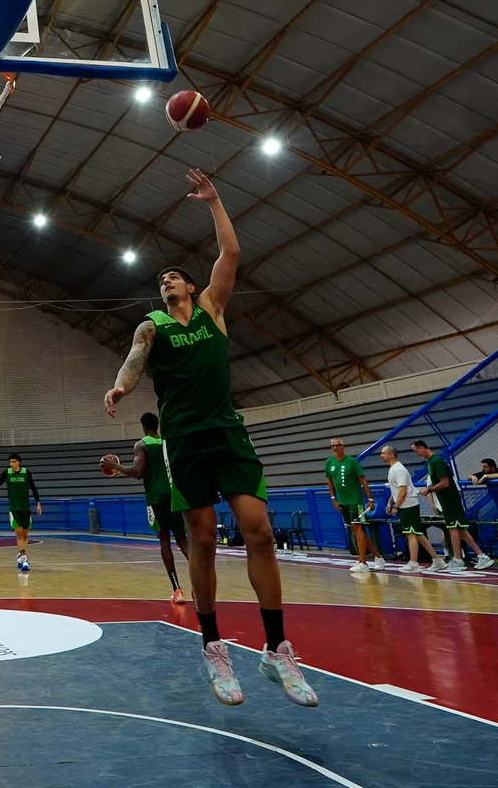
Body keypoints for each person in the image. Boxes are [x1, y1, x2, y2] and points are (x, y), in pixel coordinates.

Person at [103, 169, 317, 708]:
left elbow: (232, 251)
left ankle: (276, 649)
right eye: (161, 281)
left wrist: (215, 200)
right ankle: (213, 646)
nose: (167, 282)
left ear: (192, 286)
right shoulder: (153, 325)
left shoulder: (214, 311)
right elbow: (134, 361)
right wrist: (121, 388)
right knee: (200, 539)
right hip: (184, 440)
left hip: (227, 432)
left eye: (175, 277)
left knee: (259, 531)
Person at [103, 412, 189, 602]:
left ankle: (178, 590)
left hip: (156, 497)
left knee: (165, 541)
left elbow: (137, 472)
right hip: (175, 495)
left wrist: (116, 467)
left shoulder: (142, 444)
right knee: (183, 541)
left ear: (143, 426)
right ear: (157, 425)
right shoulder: (167, 442)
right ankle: (199, 585)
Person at [411, 440, 493, 571]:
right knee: (460, 530)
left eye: (416, 451)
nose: (416, 454)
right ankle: (480, 556)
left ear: (422, 447)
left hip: (450, 500)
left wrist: (429, 490)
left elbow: (445, 483)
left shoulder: (436, 461)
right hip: (446, 500)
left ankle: (459, 559)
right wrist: (429, 489)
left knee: (454, 528)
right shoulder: (432, 462)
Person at [379, 446, 445, 574]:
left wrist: (396, 507)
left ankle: (413, 563)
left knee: (411, 533)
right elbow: (397, 489)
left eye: (383, 453)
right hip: (406, 505)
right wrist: (390, 502)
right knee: (418, 534)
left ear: (391, 455)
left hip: (408, 505)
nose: (381, 455)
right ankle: (437, 560)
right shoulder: (394, 469)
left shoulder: (398, 469)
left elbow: (403, 490)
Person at [325, 439, 385, 574]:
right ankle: (378, 557)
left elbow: (363, 480)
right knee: (357, 531)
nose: (335, 448)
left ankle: (363, 562)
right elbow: (330, 481)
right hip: (342, 502)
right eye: (333, 446)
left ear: (343, 446)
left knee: (358, 529)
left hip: (355, 501)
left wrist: (370, 499)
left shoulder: (352, 462)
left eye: (337, 445)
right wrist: (333, 498)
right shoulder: (329, 462)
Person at [0, 454, 42, 571]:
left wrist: (38, 502)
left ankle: (20, 555)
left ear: (19, 462)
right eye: (10, 462)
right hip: (14, 508)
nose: (11, 464)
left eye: (13, 462)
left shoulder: (26, 472)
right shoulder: (7, 473)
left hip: (25, 508)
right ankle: (24, 559)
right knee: (19, 534)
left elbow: (33, 487)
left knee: (25, 535)